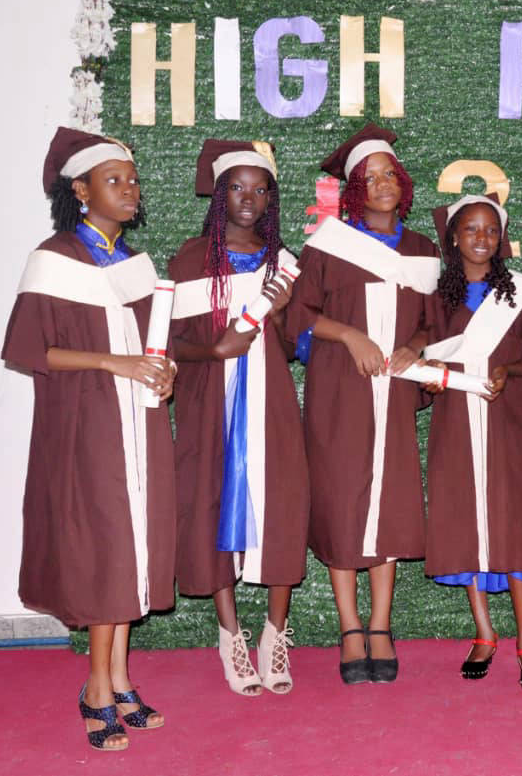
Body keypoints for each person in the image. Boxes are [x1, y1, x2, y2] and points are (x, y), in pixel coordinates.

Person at [2, 126, 176, 750]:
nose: (129, 190)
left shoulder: (135, 266)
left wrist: (162, 370)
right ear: (80, 190)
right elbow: (30, 350)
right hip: (85, 424)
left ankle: (121, 679)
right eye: (113, 180)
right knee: (106, 550)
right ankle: (96, 690)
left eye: (132, 180)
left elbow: (152, 347)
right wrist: (112, 362)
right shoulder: (53, 259)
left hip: (138, 423)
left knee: (132, 547)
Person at [286, 122, 439, 684]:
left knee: (389, 497)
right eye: (370, 178)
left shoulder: (422, 249)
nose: (382, 184)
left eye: (389, 174)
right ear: (353, 189)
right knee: (343, 499)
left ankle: (380, 624)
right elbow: (297, 315)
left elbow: (434, 322)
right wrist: (350, 335)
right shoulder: (328, 244)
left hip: (394, 387)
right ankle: (350, 626)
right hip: (341, 387)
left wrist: (415, 346)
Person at [169, 139, 310, 696]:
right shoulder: (190, 260)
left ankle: (275, 633)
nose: (248, 199)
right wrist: (216, 349)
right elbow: (172, 344)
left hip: (271, 405)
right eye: (236, 187)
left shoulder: (285, 265)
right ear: (219, 194)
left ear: (271, 198)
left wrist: (281, 315)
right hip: (211, 402)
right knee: (213, 500)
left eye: (259, 189)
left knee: (281, 505)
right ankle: (230, 636)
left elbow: (296, 345)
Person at [420, 194, 522, 689]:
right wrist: (429, 377)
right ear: (453, 238)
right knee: (464, 520)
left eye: (491, 230)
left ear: (502, 239)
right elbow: (422, 354)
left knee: (514, 521)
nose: (482, 238)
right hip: (455, 421)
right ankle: (484, 633)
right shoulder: (435, 297)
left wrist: (509, 369)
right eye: (471, 229)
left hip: (508, 419)